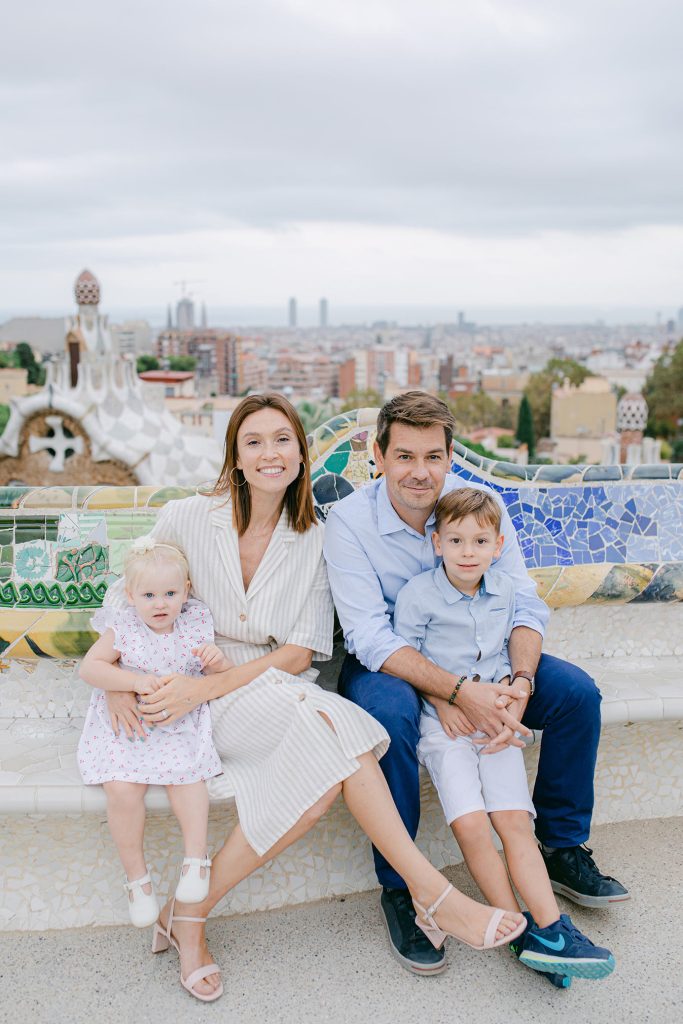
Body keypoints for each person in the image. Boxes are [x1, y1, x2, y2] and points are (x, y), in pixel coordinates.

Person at [102, 393, 526, 1002]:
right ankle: (434, 894)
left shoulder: (313, 538)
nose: (270, 453)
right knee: (339, 742)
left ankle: (188, 913)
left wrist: (211, 686)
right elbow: (126, 596)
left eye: (283, 440)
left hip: (262, 685)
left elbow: (300, 652)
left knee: (325, 766)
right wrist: (119, 678)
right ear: (236, 455)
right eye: (254, 442)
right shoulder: (187, 517)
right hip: (185, 694)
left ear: (302, 454)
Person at [323, 390, 629, 976]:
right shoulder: (351, 522)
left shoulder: (481, 507)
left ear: (449, 456)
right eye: (405, 456)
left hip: (491, 659)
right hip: (393, 662)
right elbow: (369, 636)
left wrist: (518, 683)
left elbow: (525, 606)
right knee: (388, 718)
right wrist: (456, 692)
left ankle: (561, 847)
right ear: (378, 456)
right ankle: (403, 888)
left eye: (433, 456)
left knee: (576, 697)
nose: (420, 472)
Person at [393, 487, 615, 984]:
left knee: (514, 821)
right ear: (437, 543)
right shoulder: (418, 595)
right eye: (455, 540)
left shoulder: (508, 590)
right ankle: (516, 929)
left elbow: (527, 629)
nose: (467, 551)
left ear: (498, 546)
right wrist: (443, 700)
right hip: (445, 726)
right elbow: (404, 659)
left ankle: (554, 929)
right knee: (472, 826)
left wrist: (517, 691)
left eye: (479, 541)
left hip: (494, 722)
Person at [78, 539, 226, 927]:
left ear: (186, 591)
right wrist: (131, 681)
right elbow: (90, 669)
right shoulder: (123, 626)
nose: (160, 604)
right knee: (122, 788)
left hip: (177, 719)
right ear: (131, 596)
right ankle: (137, 880)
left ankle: (197, 859)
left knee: (189, 776)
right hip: (132, 720)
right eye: (148, 595)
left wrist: (217, 661)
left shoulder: (195, 622)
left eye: (170, 594)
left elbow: (218, 678)